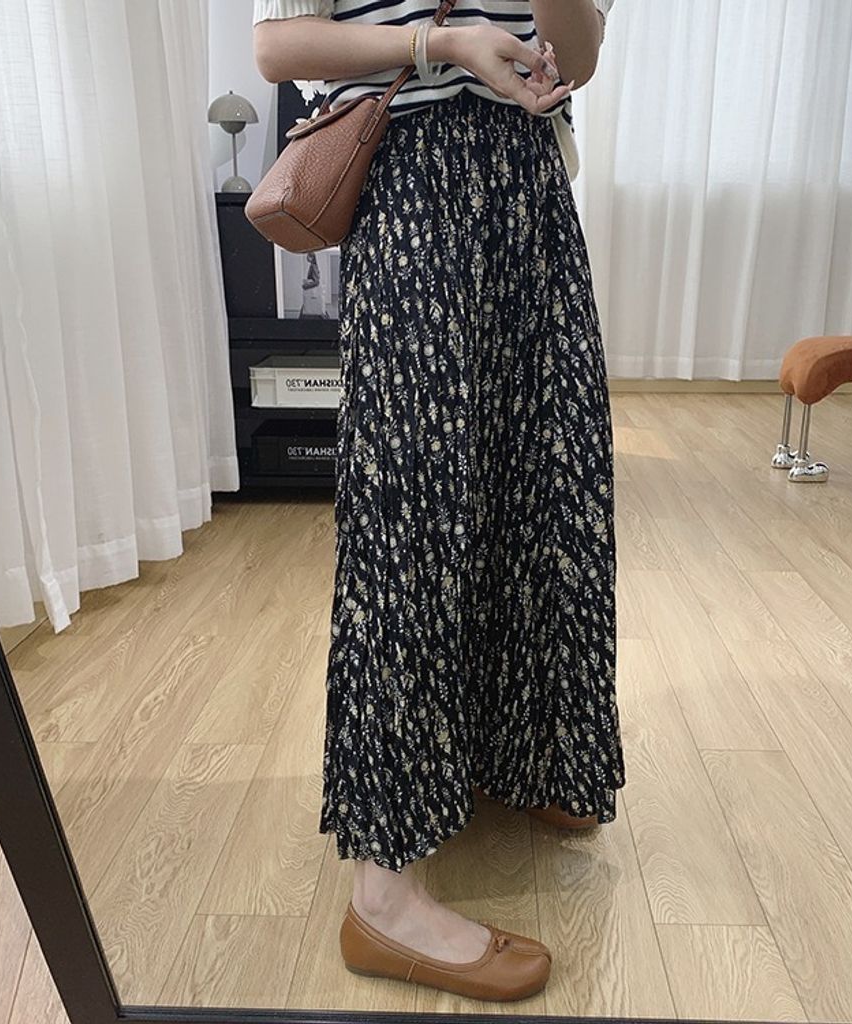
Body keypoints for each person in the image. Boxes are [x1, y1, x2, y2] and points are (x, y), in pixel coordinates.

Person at [252, 0, 624, 1002]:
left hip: (530, 191)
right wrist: (440, 42)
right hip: (410, 185)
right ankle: (383, 895)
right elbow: (278, 47)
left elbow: (580, 58)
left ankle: (526, 749)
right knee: (411, 516)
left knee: (542, 484)